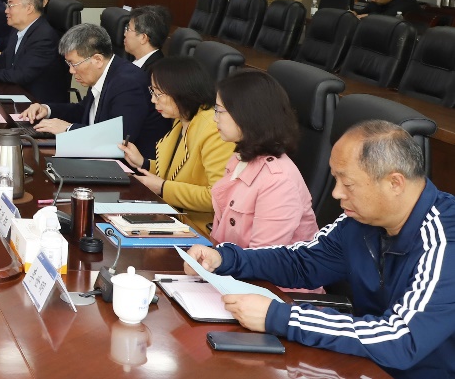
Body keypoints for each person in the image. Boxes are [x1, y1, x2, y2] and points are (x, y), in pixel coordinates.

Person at [183, 121, 455, 378]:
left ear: (395, 183)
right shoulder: (360, 222)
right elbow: (301, 263)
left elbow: (402, 339)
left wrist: (281, 317)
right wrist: (226, 258)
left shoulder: (444, 241)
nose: (336, 193)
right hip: (364, 365)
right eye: (335, 179)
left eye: (347, 184)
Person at [117, 56, 235, 235]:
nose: (153, 100)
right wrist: (144, 163)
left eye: (158, 94)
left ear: (181, 92)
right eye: (152, 92)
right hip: (173, 216)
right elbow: (179, 172)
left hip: (199, 228)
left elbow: (217, 197)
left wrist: (162, 188)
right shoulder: (183, 118)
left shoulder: (214, 129)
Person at [20, 23, 171, 158]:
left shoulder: (128, 83)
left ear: (97, 60)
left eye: (74, 64)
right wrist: (47, 109)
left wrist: (68, 129)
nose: (71, 71)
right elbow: (83, 111)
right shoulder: (104, 73)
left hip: (131, 170)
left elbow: (119, 138)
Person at [210, 69, 319, 250]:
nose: (215, 119)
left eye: (220, 111)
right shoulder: (240, 158)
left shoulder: (278, 181)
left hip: (261, 268)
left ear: (247, 115)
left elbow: (262, 258)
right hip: (228, 261)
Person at [124, 5, 170, 70]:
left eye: (128, 29)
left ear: (143, 38)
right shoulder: (138, 62)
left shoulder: (153, 73)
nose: (125, 34)